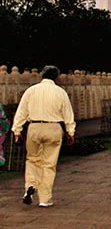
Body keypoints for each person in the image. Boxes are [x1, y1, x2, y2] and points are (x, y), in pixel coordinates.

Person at [11, 65, 76, 207]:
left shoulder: (31, 91)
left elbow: (21, 112)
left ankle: (31, 184)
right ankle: (45, 199)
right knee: (49, 164)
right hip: (53, 128)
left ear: (42, 75)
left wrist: (17, 131)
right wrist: (70, 132)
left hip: (34, 126)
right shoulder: (60, 92)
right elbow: (68, 114)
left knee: (32, 159)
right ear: (56, 77)